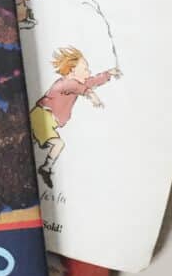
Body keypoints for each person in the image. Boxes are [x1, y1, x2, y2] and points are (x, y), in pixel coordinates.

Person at [30, 46, 121, 188]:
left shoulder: (77, 83)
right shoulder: (64, 83)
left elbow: (91, 82)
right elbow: (78, 87)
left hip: (46, 121)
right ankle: (45, 168)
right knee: (58, 144)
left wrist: (108, 73)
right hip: (42, 117)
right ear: (72, 70)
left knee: (44, 144)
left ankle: (44, 168)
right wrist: (92, 95)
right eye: (85, 69)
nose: (88, 72)